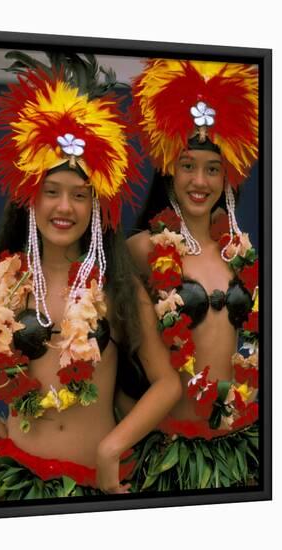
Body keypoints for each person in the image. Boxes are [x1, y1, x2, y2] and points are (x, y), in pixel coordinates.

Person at [0, 53, 182, 501]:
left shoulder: (115, 288)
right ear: (30, 198)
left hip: (93, 486)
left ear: (98, 207)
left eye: (80, 196)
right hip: (12, 482)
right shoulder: (4, 284)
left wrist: (112, 446)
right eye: (51, 192)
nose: (65, 208)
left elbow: (167, 382)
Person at [127, 59, 259, 490]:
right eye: (187, 165)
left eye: (212, 168)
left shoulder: (241, 252)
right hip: (170, 452)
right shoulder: (143, 249)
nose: (199, 180)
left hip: (243, 443)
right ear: (169, 169)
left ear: (229, 175)